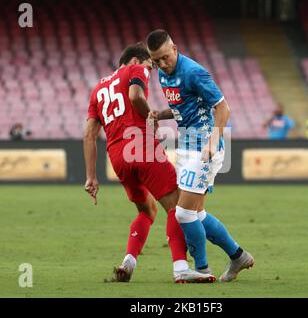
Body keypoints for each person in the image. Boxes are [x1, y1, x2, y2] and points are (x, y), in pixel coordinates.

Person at [83, 42, 215, 283]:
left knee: (147, 210)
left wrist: (91, 177)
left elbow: (89, 135)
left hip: (117, 156)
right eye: (149, 66)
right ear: (135, 60)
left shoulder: (97, 89)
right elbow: (135, 95)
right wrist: (151, 116)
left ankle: (129, 261)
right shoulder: (135, 69)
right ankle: (181, 267)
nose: (151, 71)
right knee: (178, 208)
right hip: (141, 146)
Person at [146, 30, 254, 282]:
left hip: (204, 148)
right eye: (156, 61)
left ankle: (202, 269)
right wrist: (160, 115)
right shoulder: (163, 74)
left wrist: (213, 141)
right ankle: (238, 256)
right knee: (197, 214)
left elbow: (223, 107)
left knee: (183, 214)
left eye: (165, 57)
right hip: (185, 147)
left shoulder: (194, 72)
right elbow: (183, 108)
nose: (162, 64)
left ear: (175, 49)